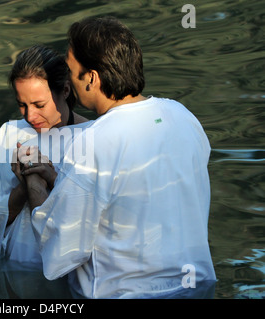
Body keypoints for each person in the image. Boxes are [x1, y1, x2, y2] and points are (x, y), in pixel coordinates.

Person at [19, 16, 217, 298]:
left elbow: (60, 253)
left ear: (92, 78)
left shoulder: (95, 140)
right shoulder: (184, 117)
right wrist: (61, 180)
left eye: (73, 72)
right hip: (199, 288)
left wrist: (34, 182)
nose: (71, 82)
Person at [0, 45, 89, 267]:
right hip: (15, 268)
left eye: (39, 105)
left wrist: (52, 179)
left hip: (73, 272)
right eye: (22, 105)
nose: (30, 116)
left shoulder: (92, 135)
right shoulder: (9, 135)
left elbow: (102, 214)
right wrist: (23, 188)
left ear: (65, 90)